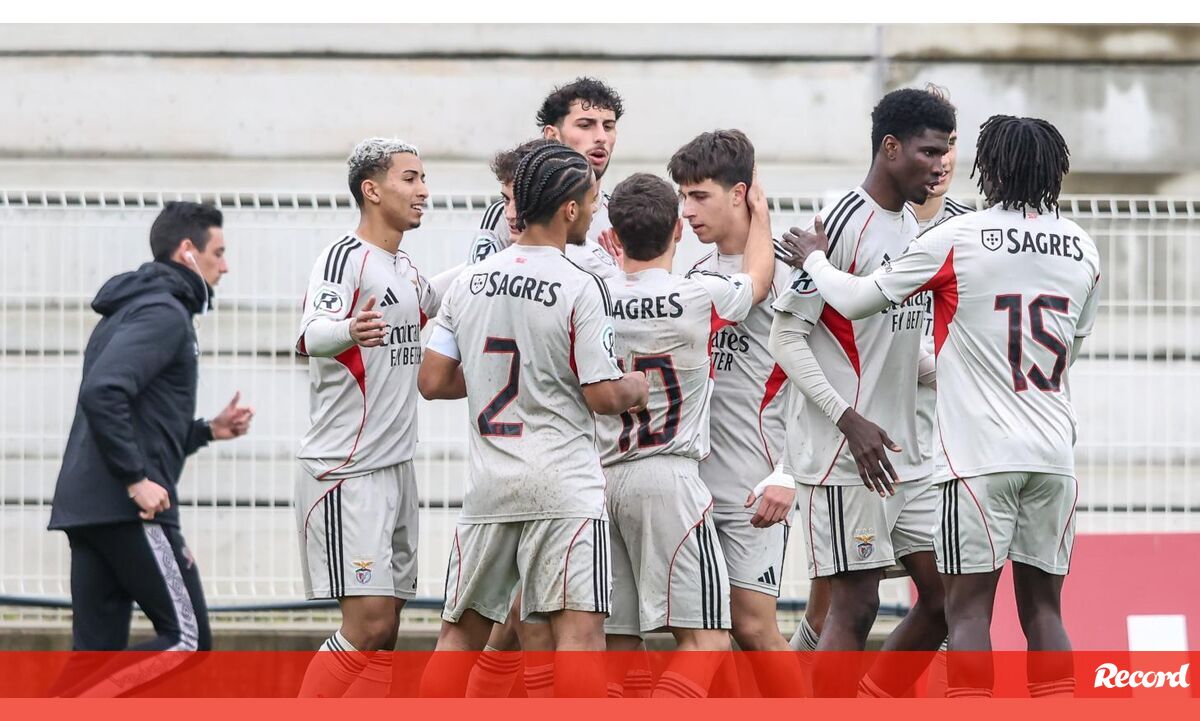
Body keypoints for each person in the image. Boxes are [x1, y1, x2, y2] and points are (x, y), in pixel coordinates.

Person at [780, 114, 1099, 699]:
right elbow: (1070, 350)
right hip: (1054, 453)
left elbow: (858, 298)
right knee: (1044, 611)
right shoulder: (1082, 245)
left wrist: (815, 261)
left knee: (967, 610)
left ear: (991, 169)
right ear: (1056, 170)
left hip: (975, 460)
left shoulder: (961, 235)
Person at [418, 141, 648, 698]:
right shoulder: (580, 284)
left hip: (489, 488)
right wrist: (635, 387)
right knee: (580, 637)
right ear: (569, 208)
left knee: (459, 636)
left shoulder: (470, 282)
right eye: (590, 202)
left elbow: (433, 381)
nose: (593, 212)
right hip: (564, 488)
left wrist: (499, 378)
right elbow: (601, 395)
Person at [770, 88, 955, 696]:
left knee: (946, 596)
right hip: (845, 455)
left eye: (946, 152)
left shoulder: (913, 226)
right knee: (855, 603)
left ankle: (875, 701)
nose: (940, 166)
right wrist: (847, 418)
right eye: (929, 152)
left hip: (903, 455)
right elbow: (785, 336)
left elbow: (893, 340)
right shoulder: (842, 221)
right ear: (891, 147)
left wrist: (954, 374)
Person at [47, 201, 253, 696]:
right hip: (131, 508)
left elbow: (140, 417)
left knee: (94, 655)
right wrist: (135, 478)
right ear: (187, 251)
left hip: (91, 508)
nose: (225, 266)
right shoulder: (163, 313)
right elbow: (104, 392)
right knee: (187, 640)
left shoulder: (135, 308)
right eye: (218, 253)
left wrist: (207, 430)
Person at [598, 171, 776, 697]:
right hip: (669, 478)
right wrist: (761, 216)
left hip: (603, 478)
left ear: (615, 235)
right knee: (706, 641)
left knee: (619, 643)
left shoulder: (592, 295)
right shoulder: (698, 296)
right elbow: (757, 280)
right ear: (677, 230)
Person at [294, 138, 442, 697]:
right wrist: (349, 330)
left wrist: (499, 255)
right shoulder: (343, 257)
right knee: (369, 624)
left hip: (396, 467)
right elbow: (312, 334)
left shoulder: (401, 265)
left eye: (423, 178)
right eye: (410, 178)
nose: (423, 190)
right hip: (346, 471)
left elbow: (436, 298)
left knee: (388, 629)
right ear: (371, 190)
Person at [666, 130, 804, 696]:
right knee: (705, 634)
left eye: (699, 196)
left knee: (752, 627)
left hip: (755, 488)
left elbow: (824, 383)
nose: (687, 209)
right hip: (692, 487)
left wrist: (788, 473)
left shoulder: (791, 279)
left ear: (740, 194)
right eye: (683, 196)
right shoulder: (696, 279)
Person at [468, 77, 623, 279]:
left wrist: (624, 276)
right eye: (585, 125)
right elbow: (476, 284)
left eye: (608, 126)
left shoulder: (620, 218)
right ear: (552, 135)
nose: (601, 137)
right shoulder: (508, 213)